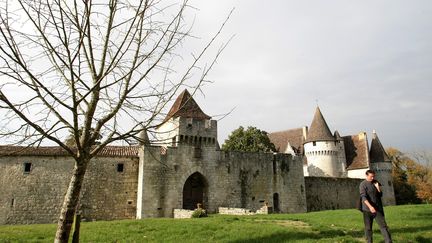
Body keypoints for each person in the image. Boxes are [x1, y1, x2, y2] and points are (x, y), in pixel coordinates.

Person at [359, 169, 392, 243]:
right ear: (366, 175)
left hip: (377, 209)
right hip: (367, 210)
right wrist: (370, 207)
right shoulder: (363, 184)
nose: (373, 178)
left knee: (384, 226)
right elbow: (363, 197)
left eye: (374, 176)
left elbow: (380, 195)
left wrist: (377, 187)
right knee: (368, 228)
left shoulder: (375, 182)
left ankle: (388, 241)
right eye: (371, 176)